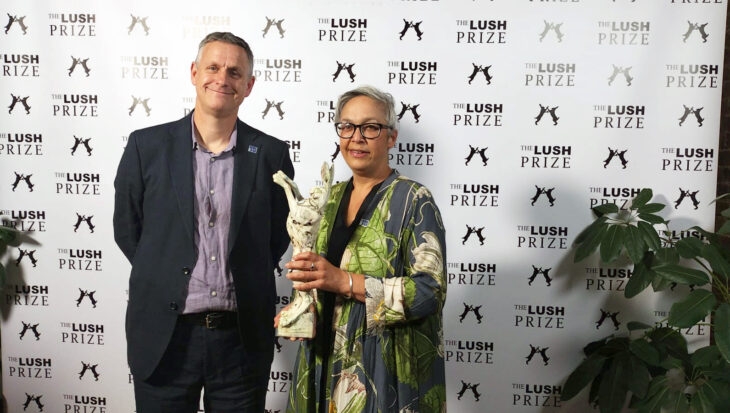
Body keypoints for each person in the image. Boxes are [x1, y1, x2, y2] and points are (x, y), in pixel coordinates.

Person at [114, 32, 294, 412]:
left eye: (234, 71)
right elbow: (129, 231)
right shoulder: (146, 147)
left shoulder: (272, 154)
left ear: (249, 85)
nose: (222, 78)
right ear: (194, 73)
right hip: (165, 337)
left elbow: (277, 236)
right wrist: (166, 267)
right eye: (212, 67)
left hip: (240, 343)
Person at [275, 86, 447, 413]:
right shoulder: (327, 199)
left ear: (391, 137)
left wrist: (346, 282)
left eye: (370, 127)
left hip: (383, 374)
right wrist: (301, 310)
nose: (357, 137)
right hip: (321, 364)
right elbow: (318, 281)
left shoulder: (414, 200)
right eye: (347, 126)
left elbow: (430, 292)